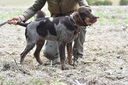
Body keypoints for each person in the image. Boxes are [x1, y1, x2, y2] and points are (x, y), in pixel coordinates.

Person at [8, 0, 90, 63]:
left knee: (81, 26)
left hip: (73, 19)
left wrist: (84, 14)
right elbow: (35, 8)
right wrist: (21, 17)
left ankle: (77, 56)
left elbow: (85, 5)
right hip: (55, 23)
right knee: (50, 54)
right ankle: (57, 57)